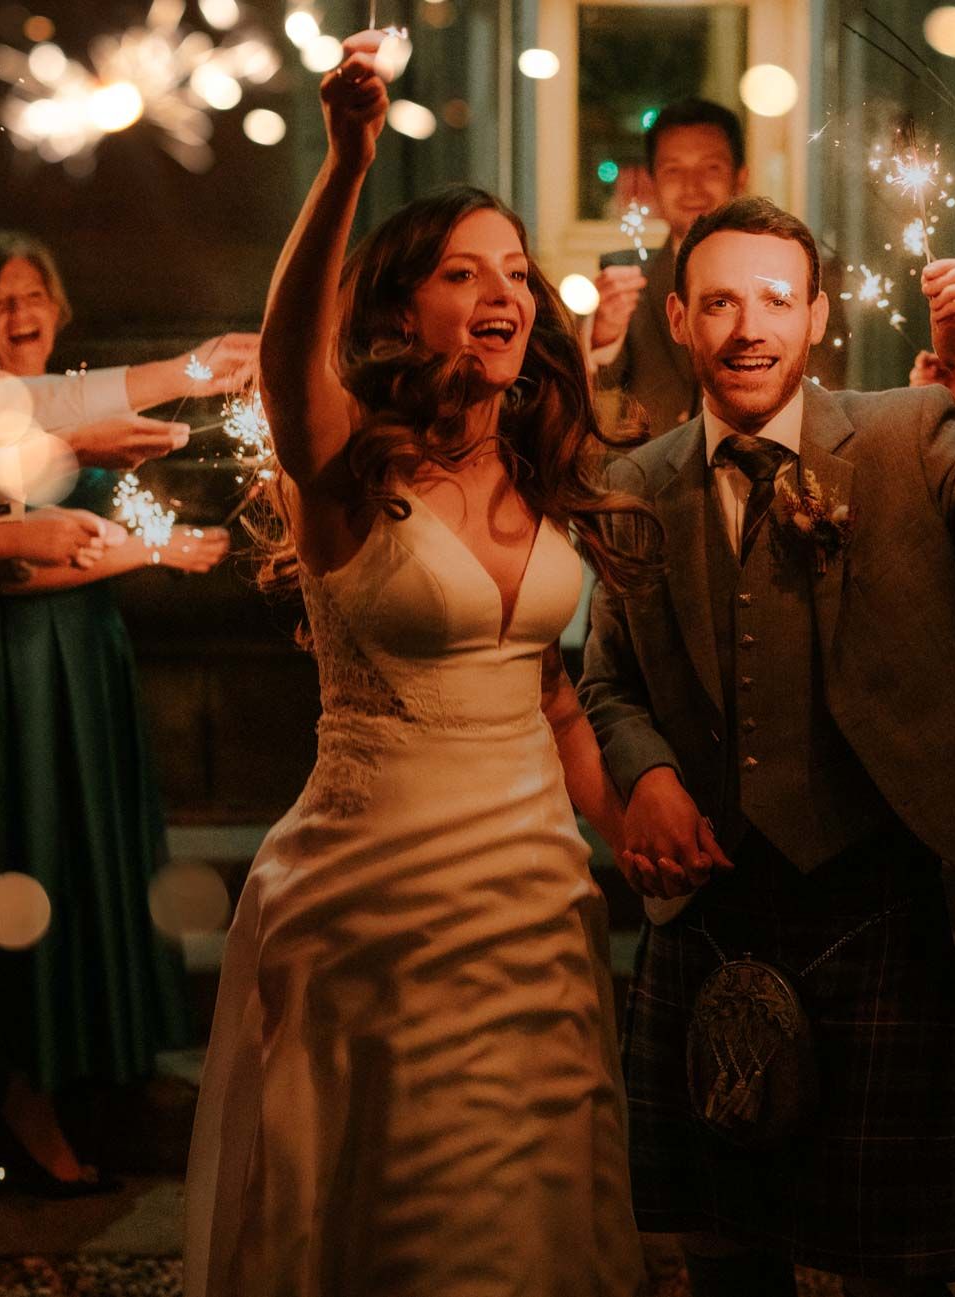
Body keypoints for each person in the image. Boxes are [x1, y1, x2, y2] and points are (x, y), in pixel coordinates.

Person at [183, 32, 651, 1294]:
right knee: (405, 1228)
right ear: (403, 308)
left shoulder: (547, 467)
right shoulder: (346, 473)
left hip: (538, 906)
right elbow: (289, 358)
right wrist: (345, 164)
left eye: (515, 270)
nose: (503, 290)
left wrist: (634, 833)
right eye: (463, 271)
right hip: (375, 906)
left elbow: (552, 693)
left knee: (533, 1225)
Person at [580, 194, 955, 1296]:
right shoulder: (635, 484)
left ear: (818, 314)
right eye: (719, 301)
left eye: (776, 299)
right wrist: (651, 777)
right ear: (677, 319)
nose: (748, 327)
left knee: (895, 1268)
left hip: (876, 898)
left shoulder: (911, 434)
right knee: (724, 1257)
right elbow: (610, 681)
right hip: (708, 906)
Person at [0, 231, 224, 1195]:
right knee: (24, 847)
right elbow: (5, 566)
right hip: (9, 669)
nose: (19, 309)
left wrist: (171, 541)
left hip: (86, 657)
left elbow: (114, 522)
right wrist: (154, 556)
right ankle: (23, 1090)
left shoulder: (84, 395)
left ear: (60, 307)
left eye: (33, 290)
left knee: (86, 852)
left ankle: (84, 1063)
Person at [587, 97, 846, 436]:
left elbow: (824, 390)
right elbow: (595, 392)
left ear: (741, 177)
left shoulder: (803, 272)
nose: (692, 186)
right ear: (651, 182)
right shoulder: (624, 277)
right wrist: (602, 334)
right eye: (673, 170)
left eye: (711, 168)